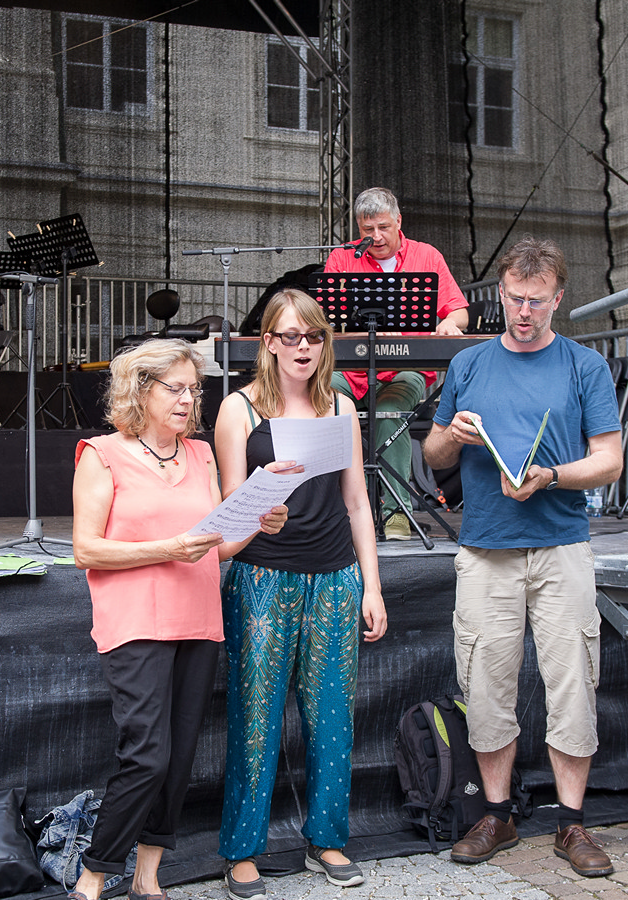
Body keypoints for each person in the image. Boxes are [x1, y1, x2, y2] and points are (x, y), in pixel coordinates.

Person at [421, 235, 622, 878]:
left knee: (572, 684)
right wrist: (449, 437)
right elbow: (431, 456)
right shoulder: (470, 364)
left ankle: (571, 823)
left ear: (559, 300)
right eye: (513, 299)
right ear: (500, 296)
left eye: (536, 301)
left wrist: (552, 476)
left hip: (561, 544)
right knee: (485, 683)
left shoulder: (583, 366)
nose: (523, 311)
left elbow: (610, 460)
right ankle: (497, 813)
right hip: (485, 547)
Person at [70, 338, 288, 900]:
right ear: (140, 391)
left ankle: (148, 874)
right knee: (147, 754)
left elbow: (214, 546)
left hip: (197, 618)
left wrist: (256, 522)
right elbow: (86, 551)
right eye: (177, 389)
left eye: (195, 389)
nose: (190, 400)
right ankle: (93, 875)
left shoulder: (199, 455)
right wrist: (168, 547)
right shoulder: (101, 454)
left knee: (180, 753)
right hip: (135, 621)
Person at [213, 289, 388, 900]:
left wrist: (373, 585)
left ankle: (328, 838)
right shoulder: (239, 410)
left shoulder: (341, 405)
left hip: (336, 575)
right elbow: (230, 511)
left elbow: (358, 503)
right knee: (255, 715)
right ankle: (241, 851)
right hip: (262, 576)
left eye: (313, 337)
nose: (303, 348)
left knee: (332, 714)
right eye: (290, 337)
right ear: (267, 343)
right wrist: (263, 504)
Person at [323, 187, 468, 540]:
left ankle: (395, 514)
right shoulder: (343, 259)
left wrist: (450, 322)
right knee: (326, 402)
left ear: (398, 221)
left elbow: (459, 312)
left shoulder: (427, 256)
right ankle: (331, 511)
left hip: (405, 368)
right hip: (353, 370)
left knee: (390, 410)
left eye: (383, 228)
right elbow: (321, 318)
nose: (375, 237)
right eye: (367, 229)